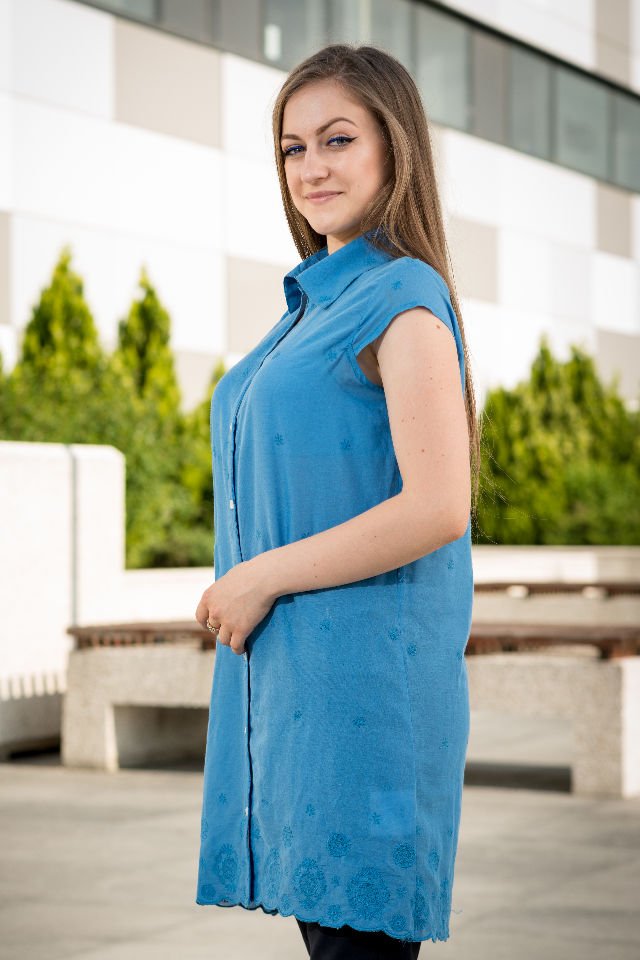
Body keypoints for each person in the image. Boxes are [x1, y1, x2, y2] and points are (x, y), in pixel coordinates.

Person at [194, 42, 481, 959]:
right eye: (293, 147)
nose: (311, 166)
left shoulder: (402, 296)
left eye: (338, 139)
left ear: (395, 146)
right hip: (294, 701)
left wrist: (259, 577)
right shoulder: (309, 309)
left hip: (365, 706)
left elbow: (439, 505)